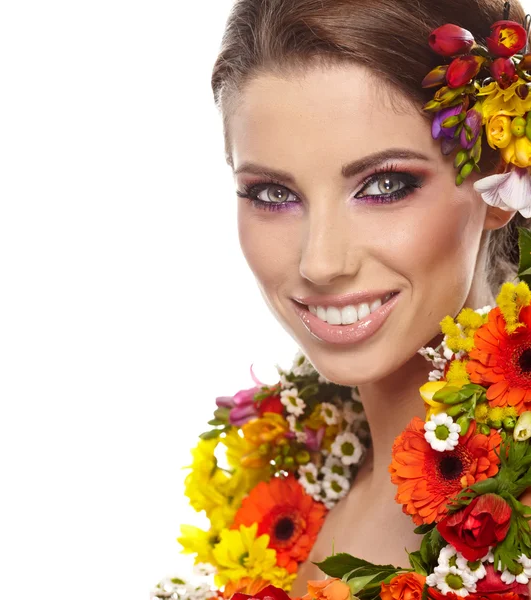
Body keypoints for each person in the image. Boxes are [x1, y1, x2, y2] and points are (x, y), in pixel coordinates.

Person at [153, 0, 531, 598]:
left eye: (384, 186)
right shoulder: (285, 482)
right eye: (272, 193)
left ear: (501, 177)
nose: (320, 262)